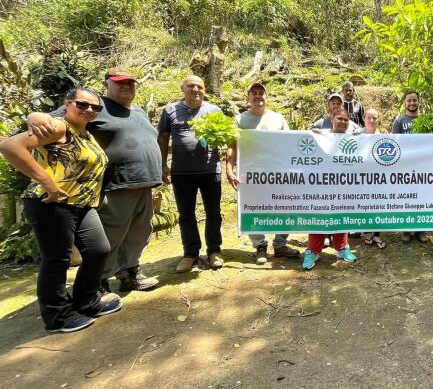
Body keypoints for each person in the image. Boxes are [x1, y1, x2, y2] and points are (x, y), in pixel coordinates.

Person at [26, 68, 162, 292]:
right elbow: (54, 118)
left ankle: (129, 273)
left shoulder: (139, 111)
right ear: (106, 84)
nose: (127, 86)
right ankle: (98, 283)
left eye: (130, 83)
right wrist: (34, 116)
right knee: (110, 236)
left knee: (139, 233)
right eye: (120, 82)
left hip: (145, 184)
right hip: (116, 184)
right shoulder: (95, 106)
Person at [0, 89, 122, 333]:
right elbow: (10, 146)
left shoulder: (84, 133)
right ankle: (58, 316)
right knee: (57, 260)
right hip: (51, 204)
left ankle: (87, 301)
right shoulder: (58, 127)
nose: (89, 110)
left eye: (95, 107)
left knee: (99, 250)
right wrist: (47, 182)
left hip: (81, 204)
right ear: (67, 104)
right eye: (82, 104)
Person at [225, 82, 300, 264]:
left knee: (286, 207)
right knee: (252, 208)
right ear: (248, 98)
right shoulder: (239, 120)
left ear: (266, 97)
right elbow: (232, 146)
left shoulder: (278, 118)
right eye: (254, 93)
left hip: (277, 173)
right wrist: (229, 169)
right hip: (251, 175)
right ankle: (259, 246)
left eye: (261, 93)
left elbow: (290, 144)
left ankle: (280, 244)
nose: (258, 96)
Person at [157, 75, 225, 273]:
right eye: (191, 86)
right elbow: (162, 138)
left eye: (200, 87)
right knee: (186, 214)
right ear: (183, 88)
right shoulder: (170, 110)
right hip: (181, 172)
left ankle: (214, 251)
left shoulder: (214, 110)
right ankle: (190, 254)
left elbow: (226, 135)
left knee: (214, 213)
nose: (195, 89)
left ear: (205, 90)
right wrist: (162, 164)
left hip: (210, 170)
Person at [302, 107, 358, 270]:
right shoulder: (320, 136)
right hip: (321, 189)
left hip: (342, 188)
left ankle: (342, 248)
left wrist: (360, 139)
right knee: (318, 218)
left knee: (342, 216)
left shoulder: (352, 138)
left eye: (346, 120)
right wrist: (311, 136)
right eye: (339, 119)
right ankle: (312, 251)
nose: (342, 122)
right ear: (332, 119)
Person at [391, 90, 428, 243]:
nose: (412, 103)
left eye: (414, 100)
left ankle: (421, 231)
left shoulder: (426, 120)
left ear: (418, 101)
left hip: (424, 167)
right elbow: (394, 144)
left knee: (422, 198)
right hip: (405, 168)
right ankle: (406, 230)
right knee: (406, 198)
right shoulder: (399, 121)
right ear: (405, 103)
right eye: (409, 101)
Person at [361, 108, 386, 249]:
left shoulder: (383, 137)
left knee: (378, 206)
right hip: (361, 178)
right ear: (364, 118)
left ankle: (376, 234)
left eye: (374, 118)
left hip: (378, 178)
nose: (371, 120)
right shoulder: (355, 135)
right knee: (364, 205)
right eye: (369, 117)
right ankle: (367, 233)